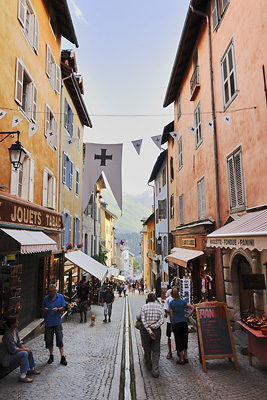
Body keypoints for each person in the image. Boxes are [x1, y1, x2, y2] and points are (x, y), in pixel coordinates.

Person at [1, 316, 40, 383]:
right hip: (7, 357)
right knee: (24, 353)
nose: (18, 322)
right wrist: (24, 350)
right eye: (16, 321)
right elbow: (13, 350)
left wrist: (25, 348)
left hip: (12, 353)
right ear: (12, 325)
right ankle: (23, 376)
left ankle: (31, 369)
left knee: (28, 351)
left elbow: (19, 342)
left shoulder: (15, 331)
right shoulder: (8, 335)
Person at [41, 284, 67, 366]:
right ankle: (51, 355)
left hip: (57, 322)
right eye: (49, 291)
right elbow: (42, 308)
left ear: (55, 291)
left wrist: (58, 309)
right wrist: (44, 310)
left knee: (59, 338)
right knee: (49, 339)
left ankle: (62, 356)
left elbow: (64, 307)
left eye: (51, 291)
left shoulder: (60, 297)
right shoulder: (46, 298)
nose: (50, 293)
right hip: (48, 322)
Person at [140, 292, 164, 378]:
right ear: (154, 299)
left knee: (147, 348)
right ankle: (155, 370)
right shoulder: (159, 307)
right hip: (156, 330)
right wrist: (154, 327)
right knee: (156, 349)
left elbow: (143, 320)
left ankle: (149, 365)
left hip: (146, 331)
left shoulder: (144, 307)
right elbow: (162, 320)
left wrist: (149, 330)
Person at [169, 287, 194, 365]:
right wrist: (188, 315)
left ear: (172, 294)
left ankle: (182, 359)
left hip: (176, 323)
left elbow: (171, 315)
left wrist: (172, 324)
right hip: (184, 322)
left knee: (178, 340)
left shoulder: (172, 303)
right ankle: (186, 357)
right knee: (184, 340)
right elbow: (192, 307)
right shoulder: (183, 302)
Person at [164, 289, 173, 359]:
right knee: (170, 336)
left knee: (170, 337)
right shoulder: (168, 299)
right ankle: (170, 351)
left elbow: (166, 310)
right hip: (171, 321)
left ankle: (170, 352)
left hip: (171, 321)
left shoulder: (179, 299)